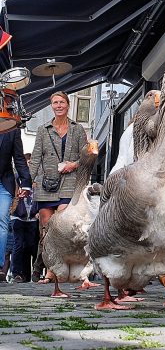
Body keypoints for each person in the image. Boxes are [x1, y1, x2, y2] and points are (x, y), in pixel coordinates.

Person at [29, 91, 87, 284]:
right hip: (47, 184)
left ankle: (61, 268)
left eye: (62, 102)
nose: (59, 105)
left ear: (68, 105)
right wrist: (27, 183)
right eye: (55, 103)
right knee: (46, 230)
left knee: (61, 228)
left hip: (69, 183)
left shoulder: (77, 129)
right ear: (51, 105)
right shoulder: (42, 129)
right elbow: (36, 158)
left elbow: (86, 157)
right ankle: (50, 271)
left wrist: (74, 165)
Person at [0, 129, 32, 282]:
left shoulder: (12, 129)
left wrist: (26, 182)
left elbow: (19, 158)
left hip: (3, 183)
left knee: (2, 221)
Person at [10, 153, 39, 283]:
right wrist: (13, 209)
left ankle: (29, 274)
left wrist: (38, 211)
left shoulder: (38, 180)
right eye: (28, 163)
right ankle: (16, 273)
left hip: (33, 218)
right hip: (18, 217)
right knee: (18, 245)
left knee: (32, 246)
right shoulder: (16, 179)